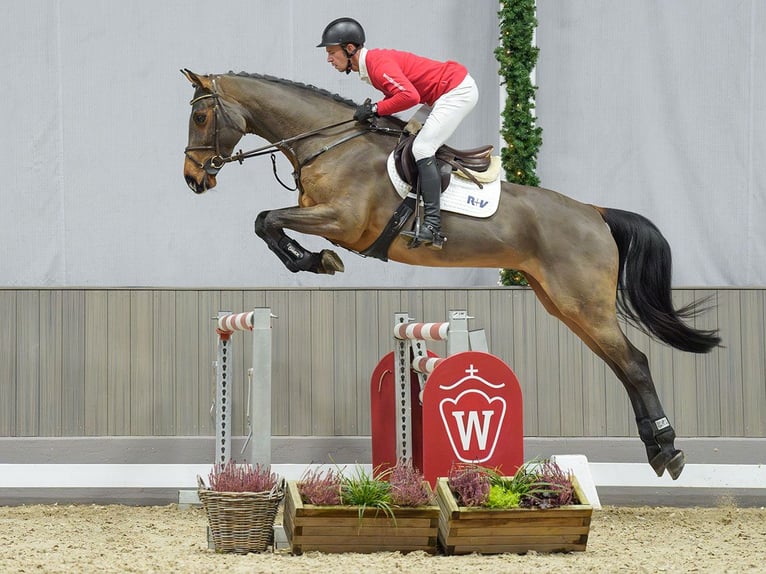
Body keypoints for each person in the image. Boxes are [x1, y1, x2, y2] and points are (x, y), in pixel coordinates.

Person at [317, 17, 478, 249]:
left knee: (422, 148)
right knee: (405, 139)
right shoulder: (371, 65)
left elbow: (409, 97)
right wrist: (377, 110)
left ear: (349, 48)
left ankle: (433, 226)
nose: (329, 58)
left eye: (332, 52)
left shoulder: (376, 64)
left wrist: (375, 108)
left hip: (455, 91)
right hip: (439, 94)